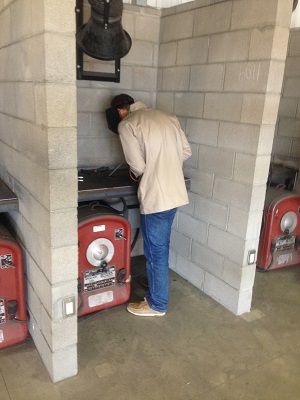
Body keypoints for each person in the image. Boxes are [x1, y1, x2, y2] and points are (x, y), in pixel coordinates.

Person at [109, 94, 192, 317]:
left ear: (120, 111)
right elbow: (186, 151)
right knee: (161, 246)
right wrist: (165, 165)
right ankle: (157, 283)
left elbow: (137, 165)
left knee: (156, 252)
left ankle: (157, 304)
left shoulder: (126, 124)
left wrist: (150, 171)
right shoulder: (169, 117)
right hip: (175, 193)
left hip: (157, 197)